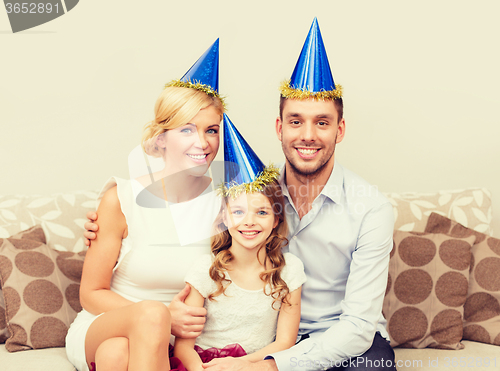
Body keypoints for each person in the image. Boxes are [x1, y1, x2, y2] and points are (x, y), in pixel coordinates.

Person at [85, 19, 396, 371]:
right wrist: (105, 223)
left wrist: (267, 364)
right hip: (260, 338)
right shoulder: (248, 195)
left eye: (322, 123)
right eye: (295, 121)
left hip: (335, 338)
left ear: (339, 130)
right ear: (279, 128)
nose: (307, 135)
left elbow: (356, 328)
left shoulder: (372, 210)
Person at [66, 40, 226, 371]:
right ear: (161, 138)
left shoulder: (227, 204)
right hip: (108, 319)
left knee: (116, 356)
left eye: (212, 130)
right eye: (187, 130)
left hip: (175, 337)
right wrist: (162, 316)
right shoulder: (121, 199)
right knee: (150, 313)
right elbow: (91, 293)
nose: (203, 142)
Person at [175, 115, 306, 371]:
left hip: (252, 365)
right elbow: (183, 348)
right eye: (238, 212)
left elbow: (285, 342)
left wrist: (239, 365)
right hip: (202, 366)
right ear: (224, 217)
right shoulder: (206, 271)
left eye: (261, 212)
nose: (249, 222)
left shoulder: (290, 270)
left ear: (276, 217)